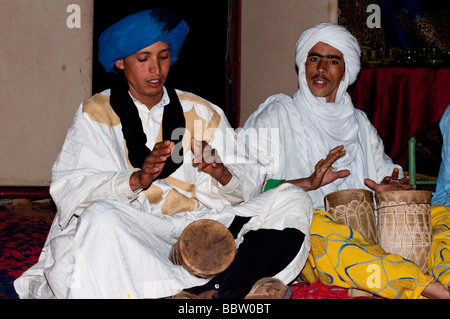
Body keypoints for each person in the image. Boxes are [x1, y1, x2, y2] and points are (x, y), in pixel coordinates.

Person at [13, 8, 314, 299]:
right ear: (120, 62)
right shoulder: (96, 114)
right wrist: (136, 179)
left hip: (201, 229)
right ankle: (204, 289)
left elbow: (248, 180)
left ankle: (216, 287)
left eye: (164, 56)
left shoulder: (202, 111)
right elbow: (71, 187)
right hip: (140, 231)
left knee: (292, 199)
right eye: (143, 59)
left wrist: (222, 174)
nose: (156, 69)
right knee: (99, 220)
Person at [243, 23, 450, 299]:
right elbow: (245, 186)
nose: (321, 69)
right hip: (309, 228)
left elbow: (384, 169)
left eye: (333, 61)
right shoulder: (277, 114)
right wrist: (307, 183)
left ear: (345, 72)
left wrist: (390, 184)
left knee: (441, 215)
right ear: (303, 65)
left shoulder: (358, 122)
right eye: (314, 58)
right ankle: (425, 288)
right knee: (317, 227)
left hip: (372, 225)